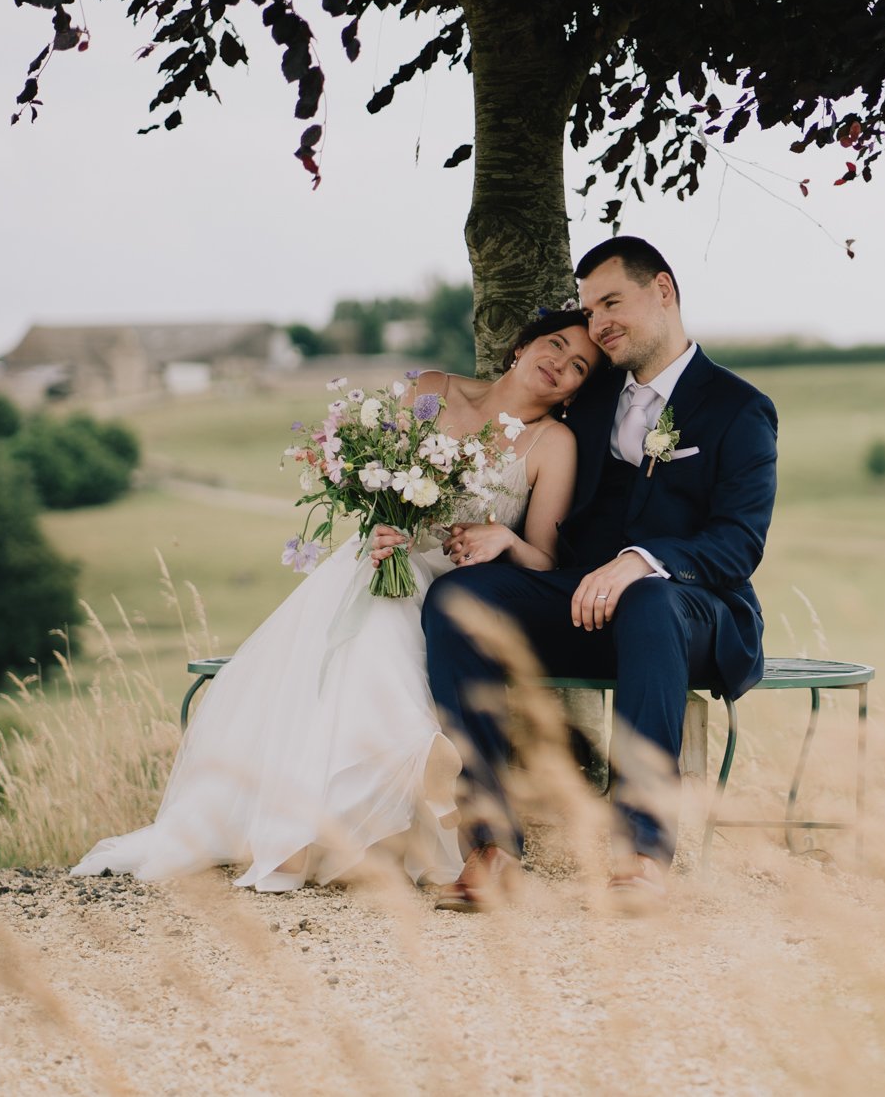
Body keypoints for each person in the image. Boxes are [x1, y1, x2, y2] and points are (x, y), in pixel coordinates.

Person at [70, 312, 605, 891]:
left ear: (579, 389)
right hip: (381, 560)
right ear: (521, 346)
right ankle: (321, 824)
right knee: (375, 622)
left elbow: (546, 564)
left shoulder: (555, 443)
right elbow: (383, 478)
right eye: (555, 345)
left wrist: (504, 539)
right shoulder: (432, 391)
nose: (560, 365)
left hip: (460, 585)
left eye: (579, 366)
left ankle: (344, 828)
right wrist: (381, 525)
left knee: (393, 627)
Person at [422, 236, 779, 910]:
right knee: (458, 596)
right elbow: (505, 434)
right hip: (575, 600)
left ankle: (641, 853)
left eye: (612, 302)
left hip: (691, 614)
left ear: (663, 291)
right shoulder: (585, 395)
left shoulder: (738, 408)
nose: (599, 323)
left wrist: (640, 563)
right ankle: (491, 847)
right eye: (590, 310)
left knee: (647, 600)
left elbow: (738, 542)